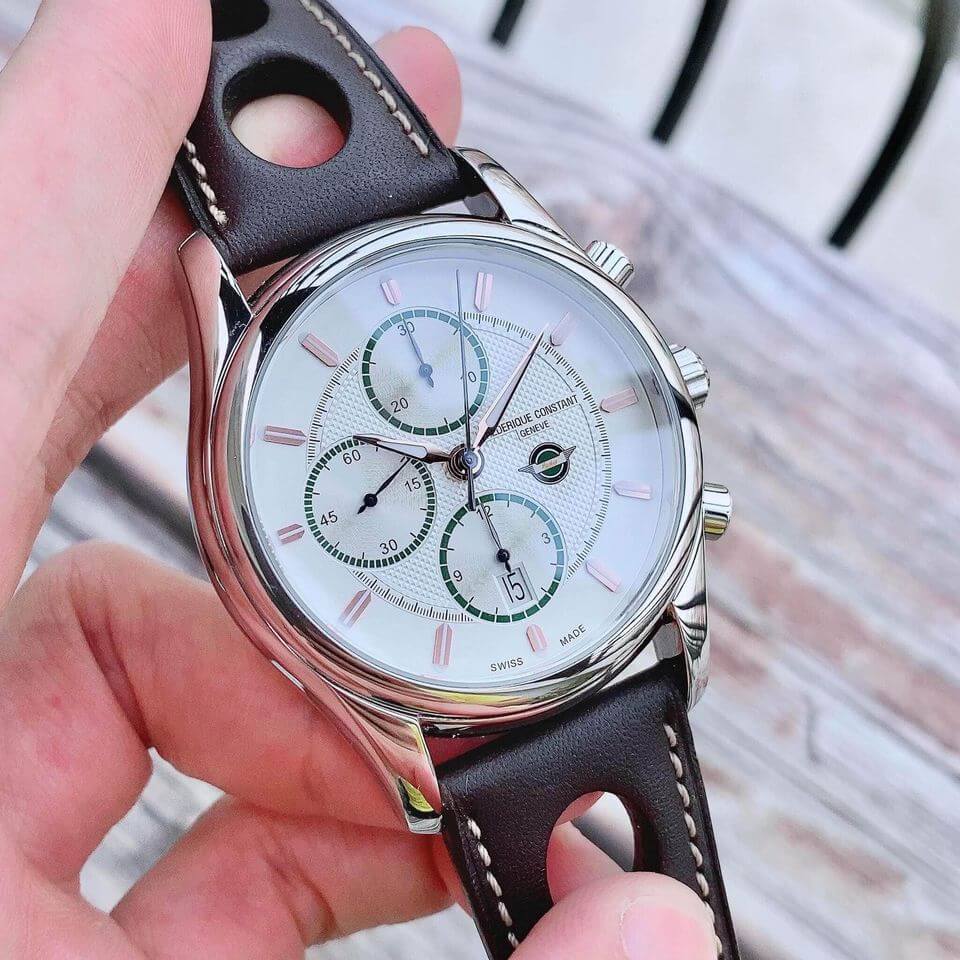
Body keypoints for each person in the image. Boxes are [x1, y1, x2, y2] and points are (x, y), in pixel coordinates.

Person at [0, 2, 718, 956]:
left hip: (621, 634)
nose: (465, 459)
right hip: (451, 710)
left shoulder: (460, 213)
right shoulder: (234, 302)